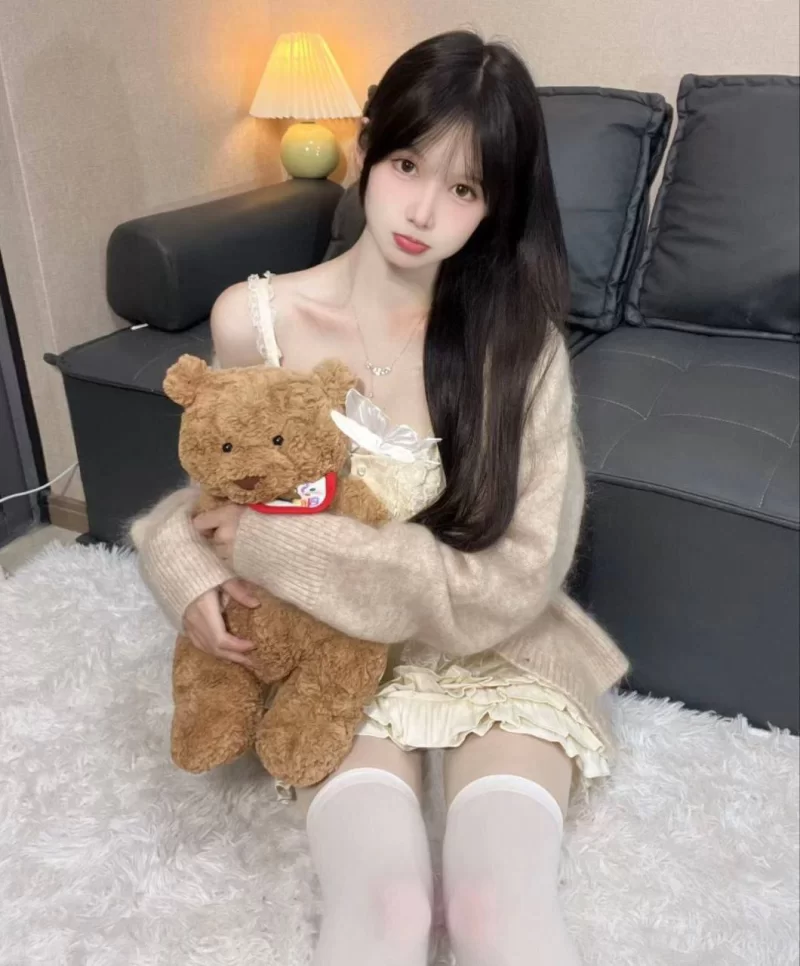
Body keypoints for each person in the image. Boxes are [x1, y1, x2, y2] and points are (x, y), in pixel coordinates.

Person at [132, 29, 630, 966]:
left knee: (494, 909)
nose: (424, 211)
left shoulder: (519, 352)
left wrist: (277, 548)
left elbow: (512, 583)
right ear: (365, 147)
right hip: (330, 654)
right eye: (407, 165)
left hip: (496, 647)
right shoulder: (256, 322)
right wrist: (182, 565)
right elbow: (220, 496)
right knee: (388, 910)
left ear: (496, 206)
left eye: (465, 189)